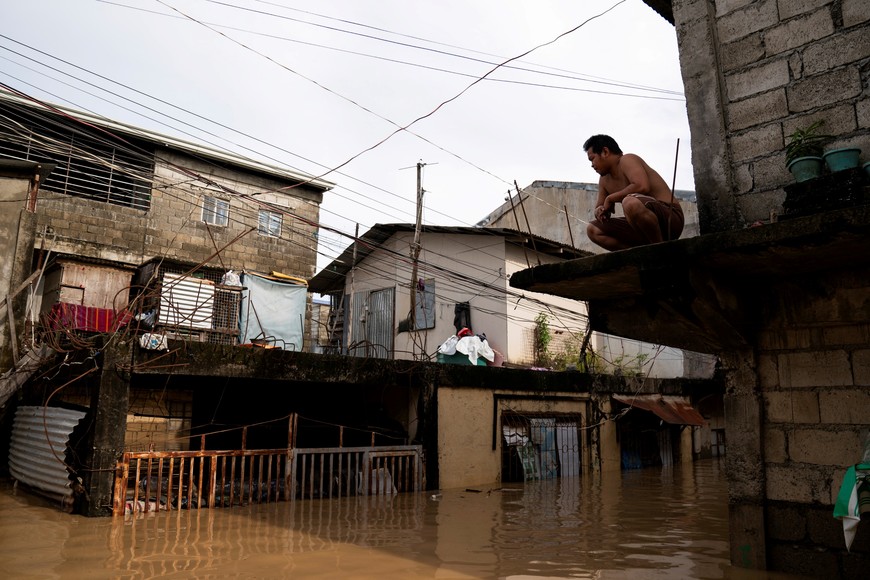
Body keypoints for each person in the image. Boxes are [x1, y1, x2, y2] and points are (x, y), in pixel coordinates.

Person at [583, 134, 683, 251]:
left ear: (605, 152)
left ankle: (660, 250)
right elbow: (599, 205)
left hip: (670, 219)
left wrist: (610, 198)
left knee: (630, 203)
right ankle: (638, 254)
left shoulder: (627, 160)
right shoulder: (604, 179)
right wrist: (600, 211)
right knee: (592, 230)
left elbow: (641, 186)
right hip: (641, 228)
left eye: (592, 159)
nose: (592, 165)